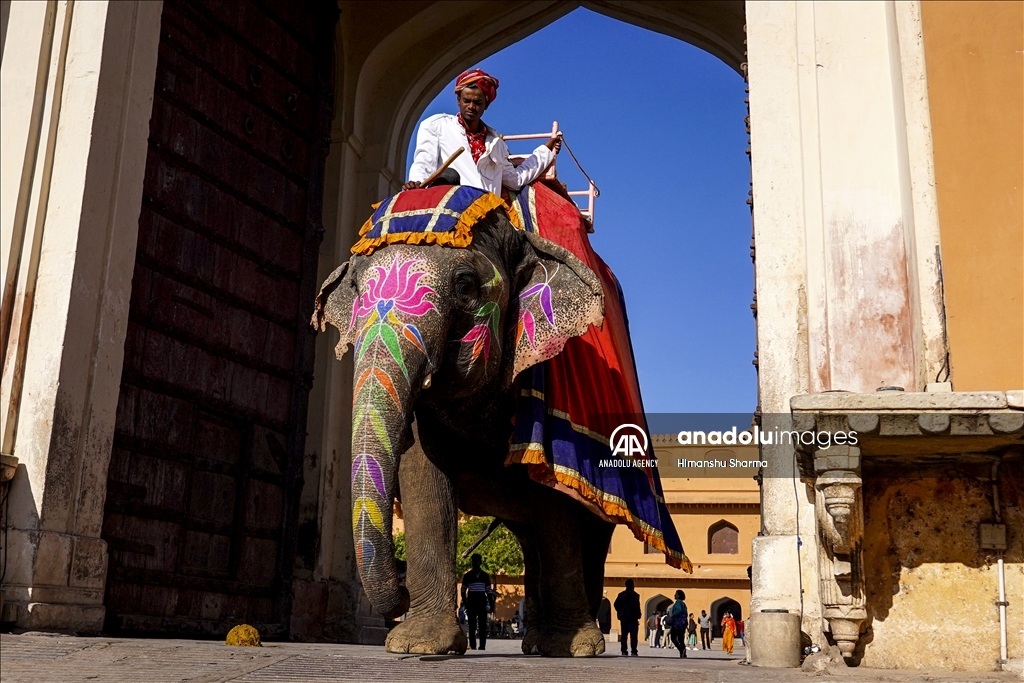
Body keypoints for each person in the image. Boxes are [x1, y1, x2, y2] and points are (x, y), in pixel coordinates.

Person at [403, 68, 561, 194]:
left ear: (486, 105)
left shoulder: (496, 144)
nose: (471, 107)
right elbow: (424, 161)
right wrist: (416, 182)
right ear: (458, 101)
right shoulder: (436, 125)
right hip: (450, 204)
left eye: (477, 102)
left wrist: (546, 150)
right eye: (467, 101)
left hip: (487, 214)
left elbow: (515, 180)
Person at [461, 553, 491, 650]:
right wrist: (465, 603)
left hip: (482, 603)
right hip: (471, 603)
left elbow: (489, 591)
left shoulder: (485, 576)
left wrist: (491, 604)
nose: (475, 563)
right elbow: (463, 590)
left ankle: (482, 646)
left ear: (480, 562)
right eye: (473, 561)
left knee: (482, 626)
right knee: (472, 626)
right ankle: (473, 645)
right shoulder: (467, 576)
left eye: (476, 561)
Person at [613, 578, 642, 656]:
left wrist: (620, 612)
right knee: (633, 636)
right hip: (632, 618)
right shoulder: (635, 595)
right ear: (633, 586)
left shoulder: (621, 595)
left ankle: (624, 651)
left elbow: (616, 605)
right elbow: (637, 606)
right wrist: (639, 615)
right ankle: (633, 651)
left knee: (624, 635)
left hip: (624, 618)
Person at [667, 590, 688, 658]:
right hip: (682, 623)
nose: (674, 595)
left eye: (676, 594)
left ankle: (681, 650)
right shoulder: (683, 603)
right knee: (681, 639)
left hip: (677, 623)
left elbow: (678, 610)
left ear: (678, 595)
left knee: (673, 637)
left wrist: (673, 615)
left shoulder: (678, 602)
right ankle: (683, 653)